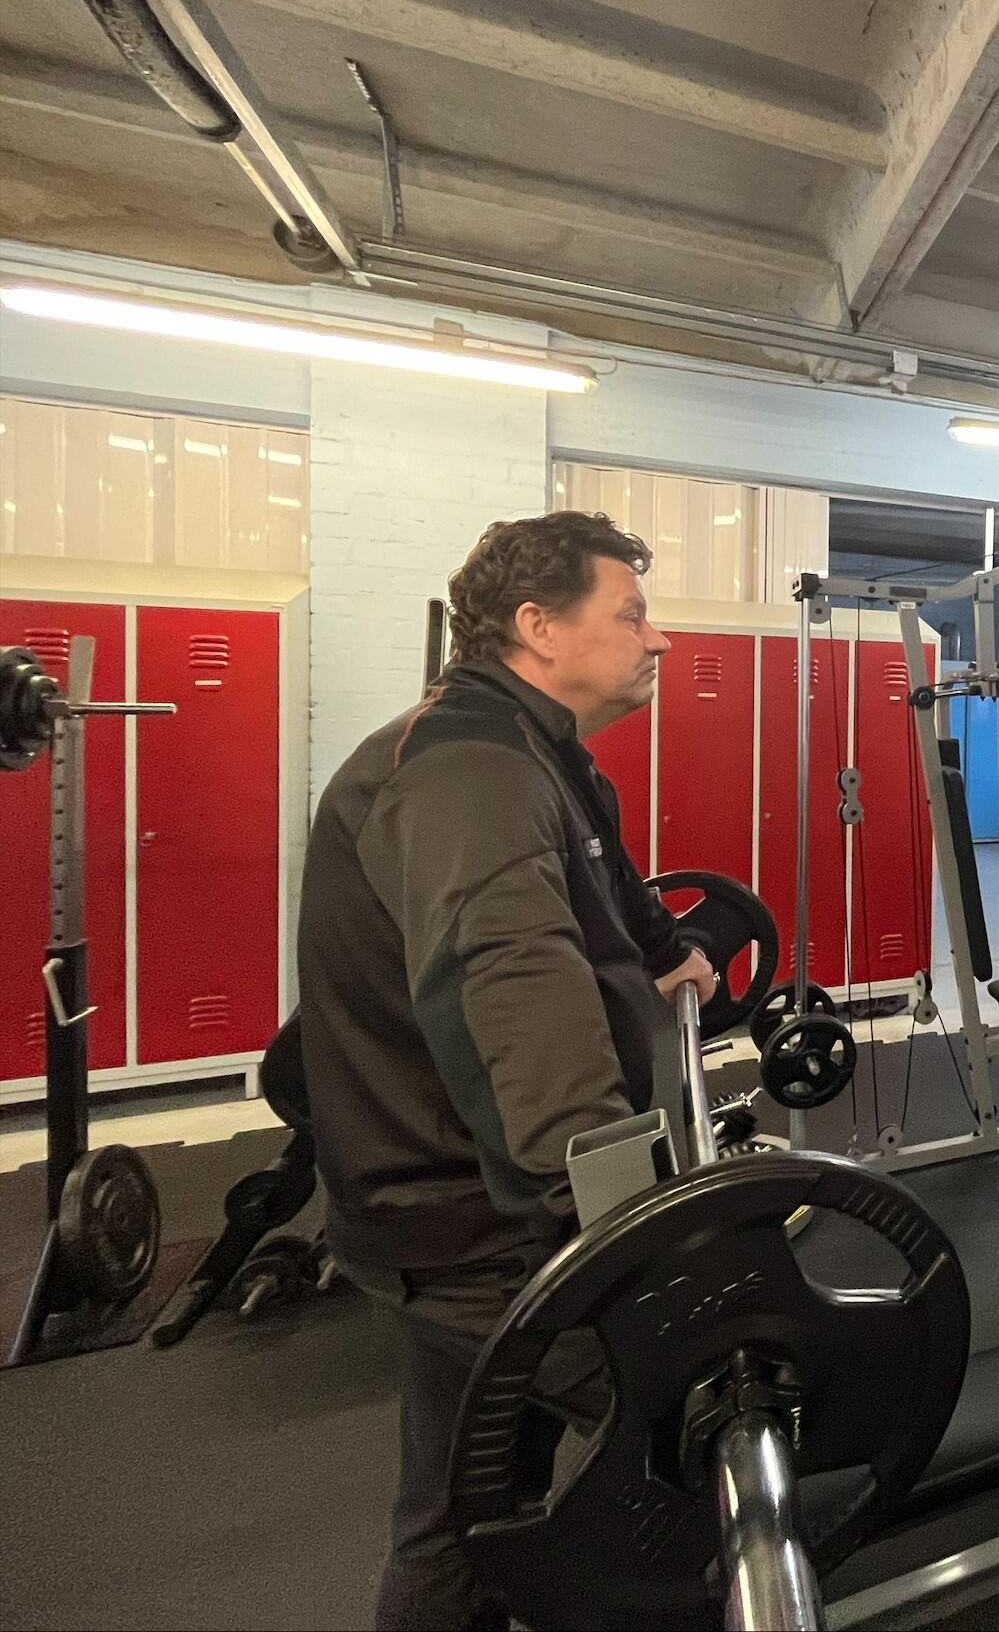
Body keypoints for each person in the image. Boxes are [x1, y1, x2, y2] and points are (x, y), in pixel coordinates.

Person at [295, 511, 718, 1630]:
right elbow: (519, 1012)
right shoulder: (471, 773)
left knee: (468, 1508)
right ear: (538, 625)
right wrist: (621, 1248)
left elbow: (606, 893)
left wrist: (665, 953)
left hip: (473, 1209)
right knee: (701, 1422)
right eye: (631, 614)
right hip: (484, 1224)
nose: (659, 638)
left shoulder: (536, 751)